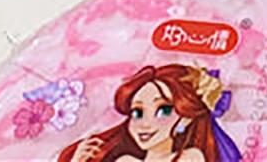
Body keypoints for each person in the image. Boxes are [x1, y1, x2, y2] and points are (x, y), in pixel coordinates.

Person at [58, 64, 239, 162]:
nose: (144, 124)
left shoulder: (189, 158)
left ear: (186, 118)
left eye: (163, 110)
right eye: (137, 113)